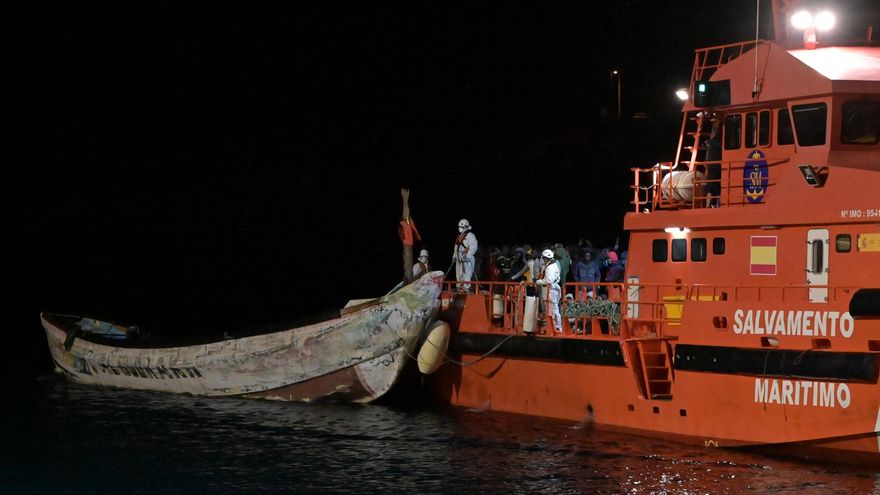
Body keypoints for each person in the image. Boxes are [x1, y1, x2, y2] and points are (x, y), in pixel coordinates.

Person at [535, 248, 562, 334]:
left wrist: (538, 281)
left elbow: (548, 280)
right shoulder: (552, 265)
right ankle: (556, 327)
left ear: (545, 258)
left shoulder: (550, 267)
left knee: (552, 309)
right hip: (553, 289)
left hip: (551, 290)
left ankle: (554, 328)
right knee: (554, 309)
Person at [453, 218, 478, 292]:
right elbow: (456, 247)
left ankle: (467, 289)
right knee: (459, 274)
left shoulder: (470, 236)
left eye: (461, 227)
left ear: (465, 227)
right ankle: (459, 289)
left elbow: (473, 247)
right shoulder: (459, 236)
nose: (459, 228)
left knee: (466, 274)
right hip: (459, 259)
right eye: (459, 227)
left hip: (467, 259)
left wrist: (468, 256)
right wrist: (454, 256)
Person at [705, 114, 722, 207]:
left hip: (711, 165)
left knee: (710, 187)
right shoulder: (717, 140)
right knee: (715, 186)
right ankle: (717, 204)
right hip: (716, 166)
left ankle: (708, 205)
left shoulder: (713, 141)